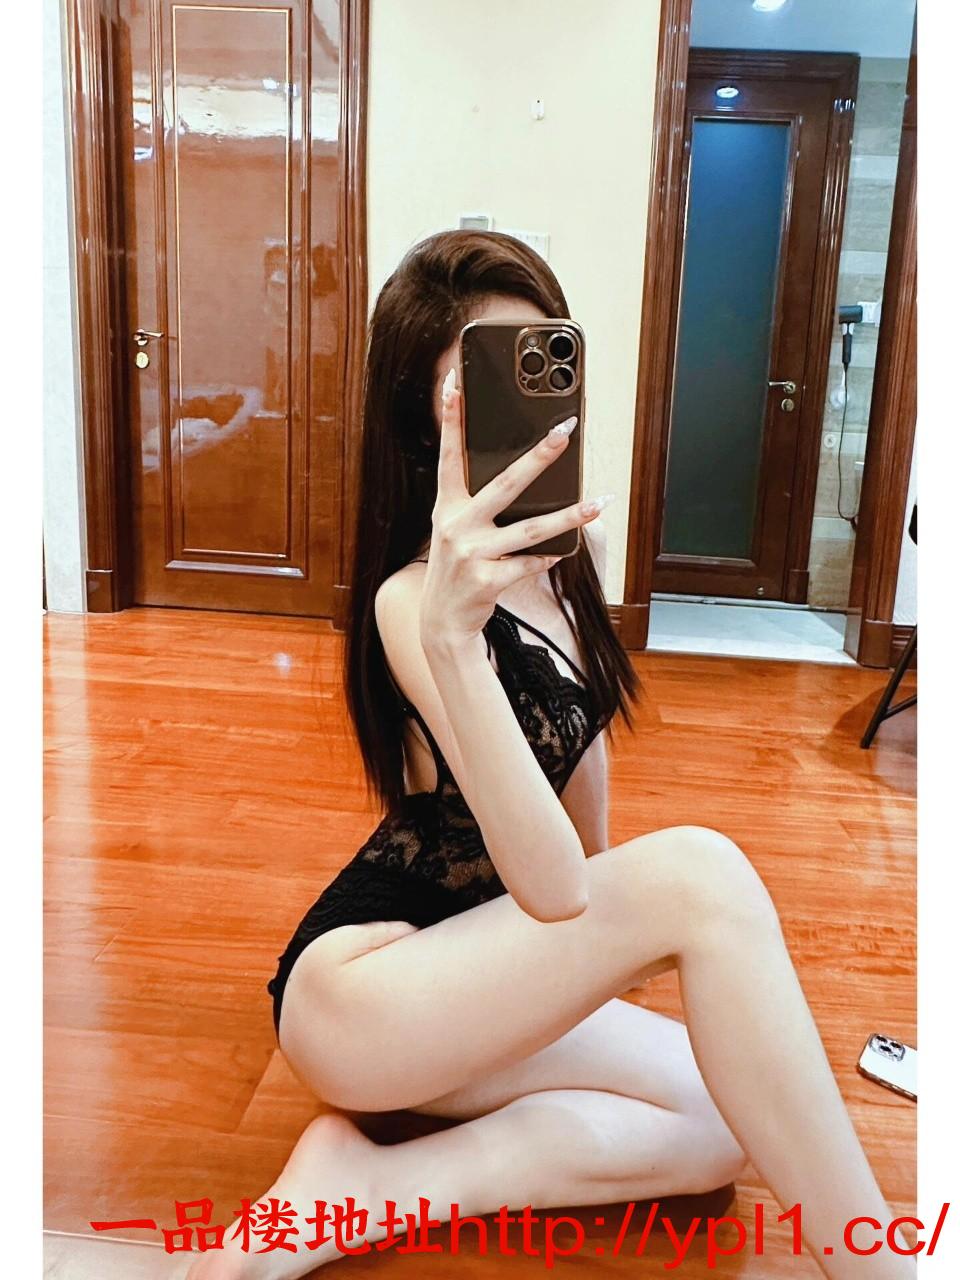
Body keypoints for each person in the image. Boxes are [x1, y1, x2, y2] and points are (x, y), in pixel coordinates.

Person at [188, 232, 914, 1279]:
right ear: (425, 424)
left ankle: (362, 1191)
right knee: (704, 874)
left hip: (488, 963)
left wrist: (595, 964)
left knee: (722, 1123)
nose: (524, 418)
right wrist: (453, 635)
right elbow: (560, 888)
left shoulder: (575, 561)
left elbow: (582, 813)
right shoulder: (410, 604)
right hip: (367, 993)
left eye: (543, 367)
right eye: (481, 393)